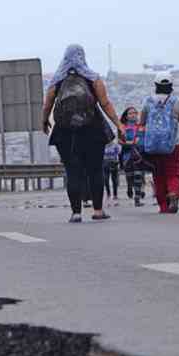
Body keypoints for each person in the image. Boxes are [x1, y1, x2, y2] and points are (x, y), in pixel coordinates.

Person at [42, 44, 123, 223]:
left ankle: (76, 213)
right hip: (92, 130)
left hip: (65, 133)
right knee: (95, 170)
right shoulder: (93, 79)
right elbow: (105, 103)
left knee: (72, 171)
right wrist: (118, 124)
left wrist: (44, 120)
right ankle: (98, 210)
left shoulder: (57, 81)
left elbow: (47, 104)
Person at [140, 72, 179, 214]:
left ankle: (163, 206)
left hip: (153, 145)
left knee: (158, 175)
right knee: (174, 172)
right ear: (171, 86)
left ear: (156, 85)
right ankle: (173, 192)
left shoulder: (147, 101)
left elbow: (142, 121)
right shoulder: (176, 101)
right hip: (172, 143)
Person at [119, 107, 149, 207]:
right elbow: (120, 141)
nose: (133, 115)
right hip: (127, 155)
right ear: (126, 116)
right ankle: (129, 187)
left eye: (135, 113)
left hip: (139, 155)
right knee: (130, 177)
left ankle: (137, 198)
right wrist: (130, 143)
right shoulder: (122, 127)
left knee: (138, 175)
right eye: (131, 113)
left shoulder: (141, 126)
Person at [103, 139, 121, 205]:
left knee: (114, 180)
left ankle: (115, 194)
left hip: (114, 163)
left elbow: (119, 153)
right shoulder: (103, 145)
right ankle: (108, 194)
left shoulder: (115, 145)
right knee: (106, 179)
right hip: (105, 163)